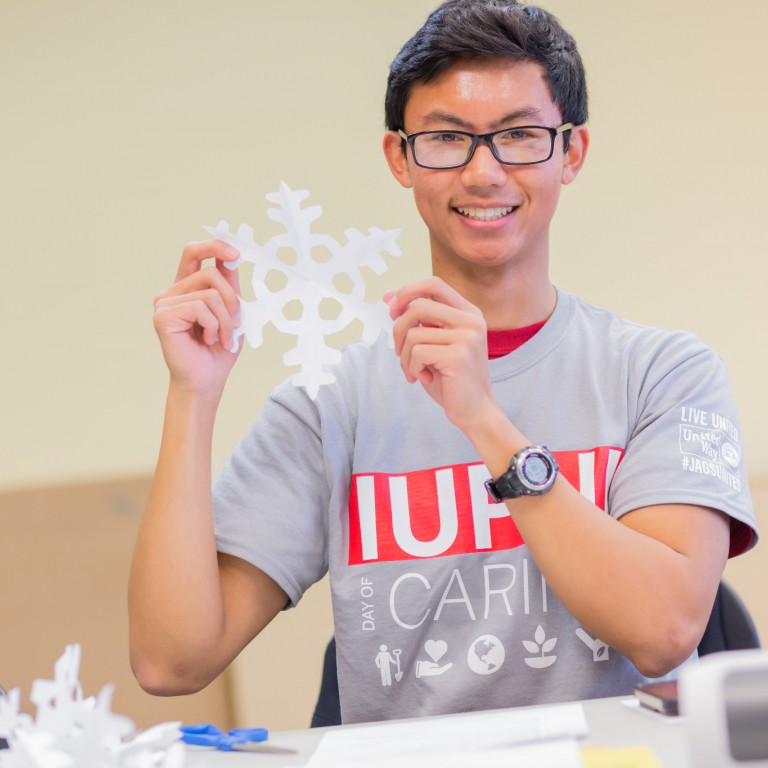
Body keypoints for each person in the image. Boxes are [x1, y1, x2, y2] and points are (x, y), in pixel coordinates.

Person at [129, 0, 757, 724]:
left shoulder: (665, 373)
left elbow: (664, 631)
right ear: (401, 157)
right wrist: (192, 394)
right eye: (447, 138)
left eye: (521, 136)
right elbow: (169, 661)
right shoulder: (332, 404)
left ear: (571, 152)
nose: (484, 171)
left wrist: (483, 418)